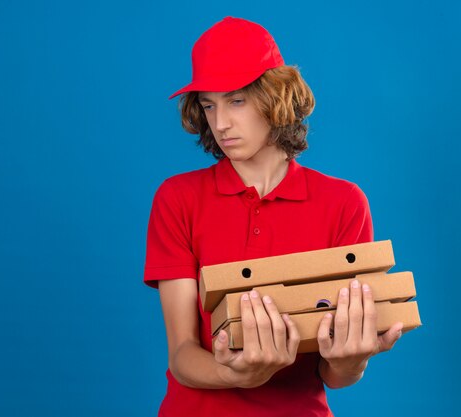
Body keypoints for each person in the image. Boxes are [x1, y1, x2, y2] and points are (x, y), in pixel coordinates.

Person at [143, 16, 404, 417]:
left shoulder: (343, 202)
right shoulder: (177, 198)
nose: (220, 123)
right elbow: (181, 353)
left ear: (276, 97)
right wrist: (236, 375)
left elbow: (335, 373)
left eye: (236, 100)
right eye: (209, 105)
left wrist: (352, 360)